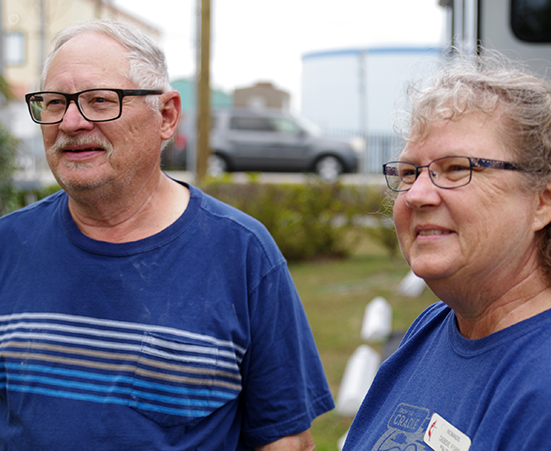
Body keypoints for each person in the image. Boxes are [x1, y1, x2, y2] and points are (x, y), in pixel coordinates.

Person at [0, 20, 334, 450]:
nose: (70, 122)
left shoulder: (242, 254)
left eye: (100, 101)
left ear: (167, 115)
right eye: (53, 102)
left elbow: (285, 441)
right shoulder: (9, 246)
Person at [343, 51, 551, 450]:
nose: (417, 195)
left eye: (457, 168)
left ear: (546, 198)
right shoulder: (436, 327)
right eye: (409, 173)